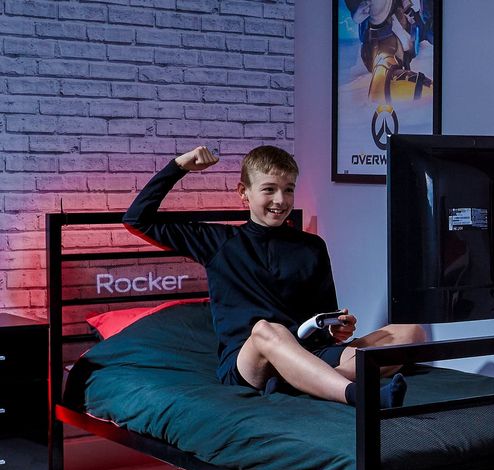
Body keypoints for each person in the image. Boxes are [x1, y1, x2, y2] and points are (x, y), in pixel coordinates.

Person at [122, 144, 425, 408]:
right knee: (268, 329)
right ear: (244, 193)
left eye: (288, 189)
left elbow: (322, 315)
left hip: (310, 350)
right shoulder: (217, 243)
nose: (280, 200)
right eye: (269, 189)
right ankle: (357, 394)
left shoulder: (312, 246)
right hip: (251, 359)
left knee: (410, 331)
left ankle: (300, 381)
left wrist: (336, 329)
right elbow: (137, 219)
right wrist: (178, 166)